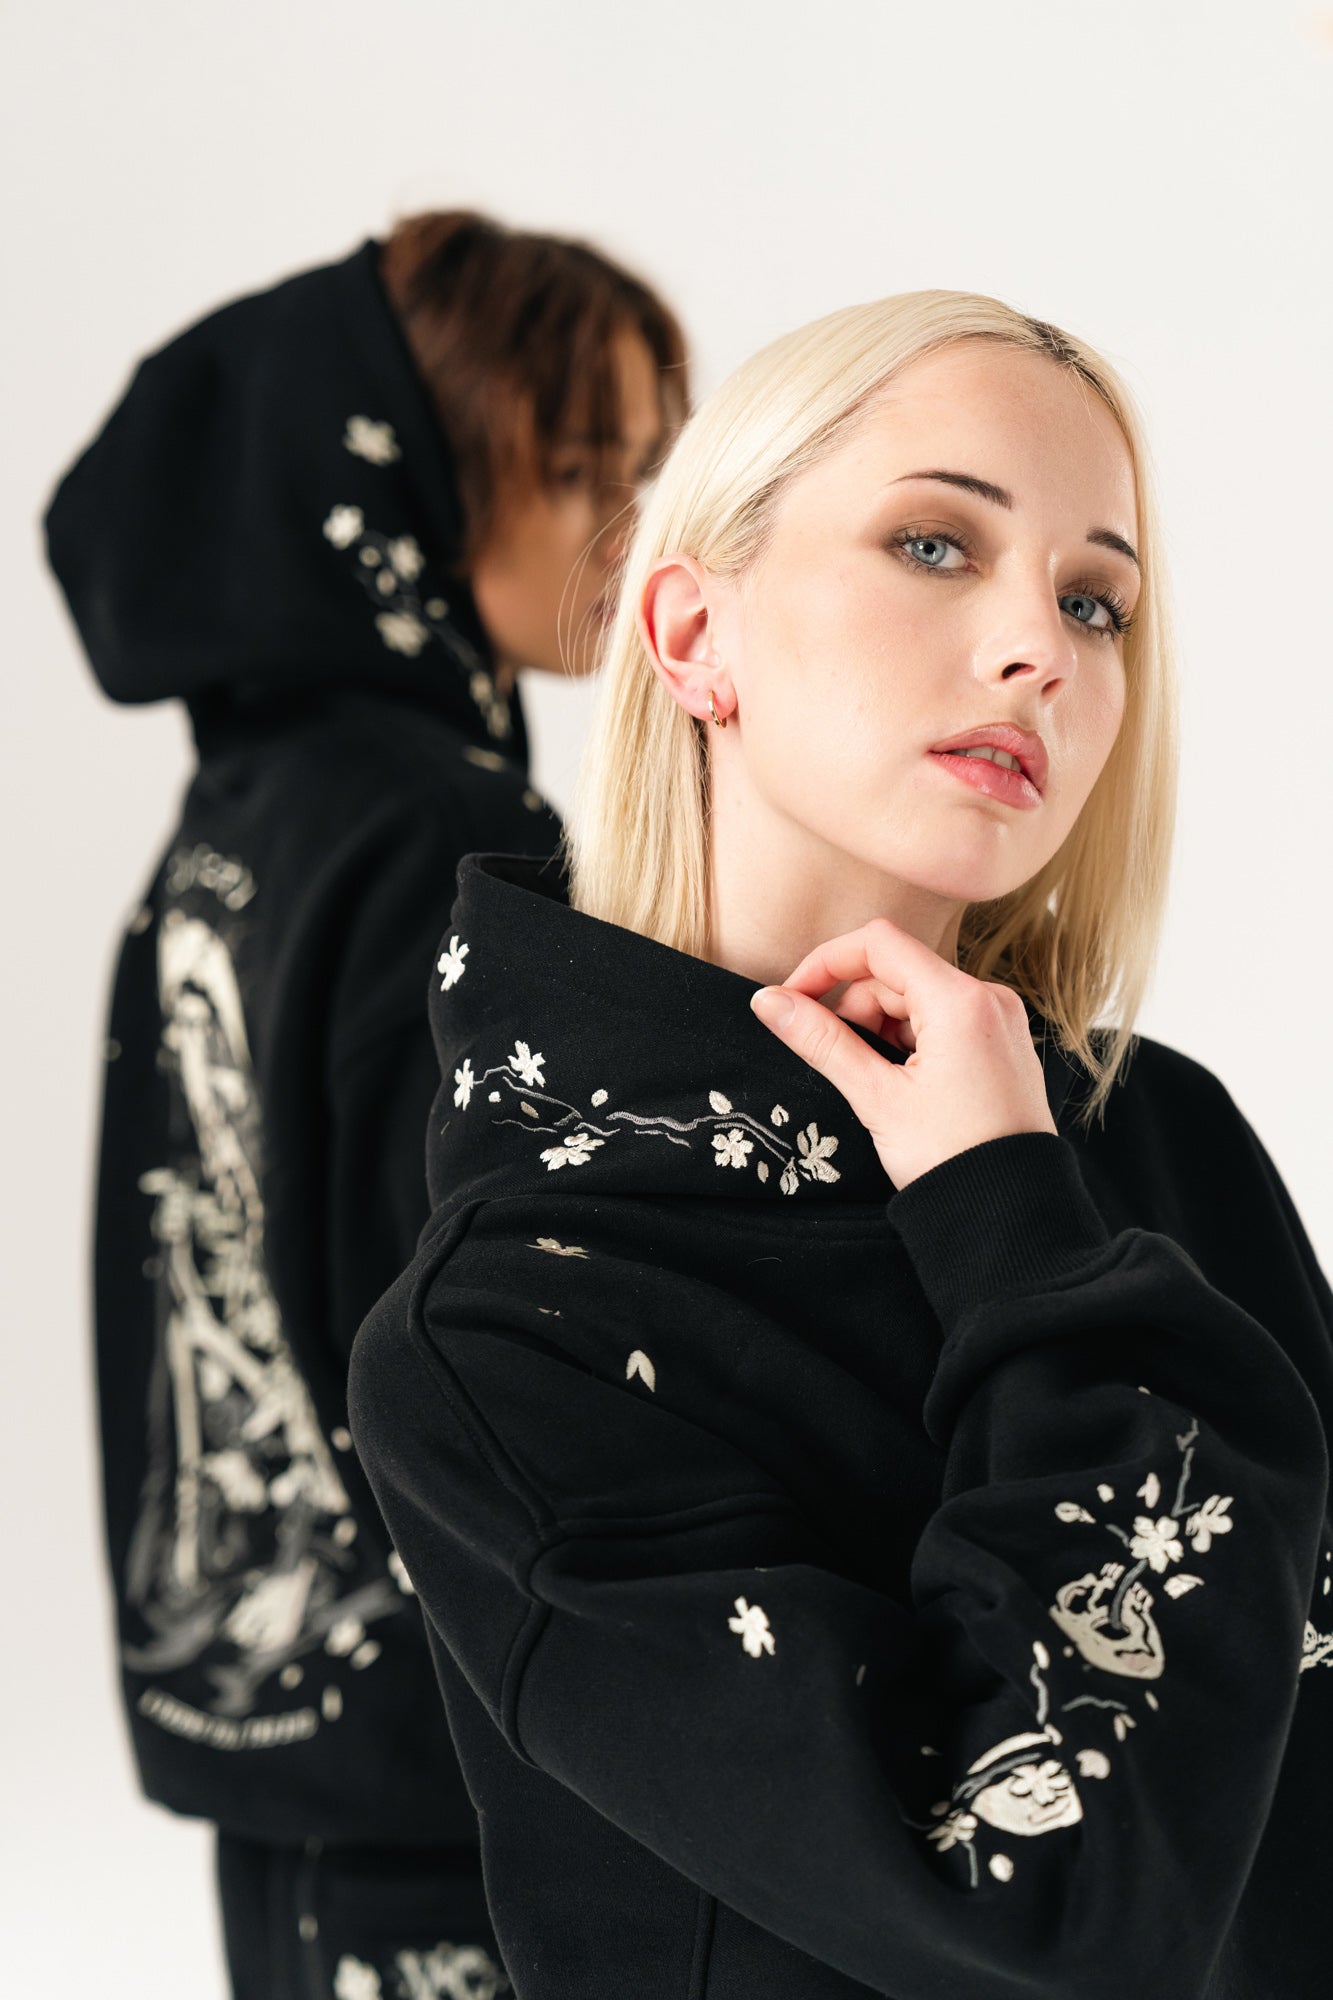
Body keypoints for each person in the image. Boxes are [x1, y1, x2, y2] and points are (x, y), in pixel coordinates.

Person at [347, 293, 1333, 1998]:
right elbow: (1040, 1906)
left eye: (1093, 601)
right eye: (935, 544)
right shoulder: (508, 1332)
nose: (1041, 648)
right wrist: (1002, 1217)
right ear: (691, 634)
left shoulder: (1156, 1137)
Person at [44, 211, 686, 2000]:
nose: (640, 525)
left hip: (275, 1728)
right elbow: (484, 1325)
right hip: (455, 1766)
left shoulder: (245, 818)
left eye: (655, 464)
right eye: (583, 466)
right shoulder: (447, 836)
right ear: (403, 474)